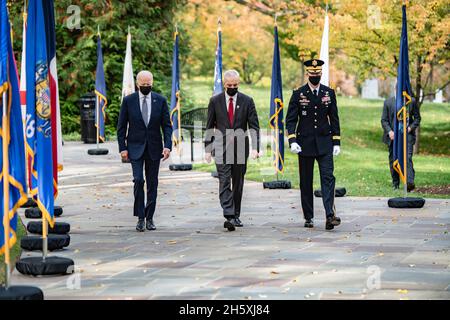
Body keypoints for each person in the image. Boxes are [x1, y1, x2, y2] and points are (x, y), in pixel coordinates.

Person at [285, 59, 341, 230]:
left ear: (321, 74)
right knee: (306, 182)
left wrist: (336, 141)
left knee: (328, 178)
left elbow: (334, 118)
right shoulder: (298, 94)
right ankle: (308, 216)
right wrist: (292, 140)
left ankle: (329, 215)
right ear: (307, 74)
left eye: (318, 74)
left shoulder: (328, 93)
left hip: (325, 143)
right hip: (305, 143)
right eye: (312, 74)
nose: (315, 76)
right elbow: (291, 120)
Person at [204, 70, 261, 231]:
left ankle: (236, 215)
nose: (232, 87)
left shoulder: (247, 101)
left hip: (240, 148)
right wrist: (208, 149)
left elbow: (254, 126)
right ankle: (228, 214)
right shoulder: (215, 101)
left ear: (239, 84)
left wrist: (256, 147)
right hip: (220, 147)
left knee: (238, 182)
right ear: (224, 84)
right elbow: (209, 125)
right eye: (229, 85)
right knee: (224, 180)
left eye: (235, 85)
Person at [117, 70, 172, 232]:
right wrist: (123, 148)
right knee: (139, 180)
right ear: (137, 84)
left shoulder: (160, 100)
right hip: (134, 147)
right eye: (143, 85)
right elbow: (121, 127)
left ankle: (150, 218)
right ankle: (140, 217)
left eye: (149, 84)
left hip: (155, 148)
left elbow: (167, 126)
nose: (146, 87)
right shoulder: (128, 101)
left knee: (152, 183)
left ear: (152, 83)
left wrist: (167, 145)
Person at [381, 94, 421, 191]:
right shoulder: (388, 102)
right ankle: (395, 183)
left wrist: (410, 128)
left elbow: (417, 118)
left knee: (407, 158)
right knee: (393, 159)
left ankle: (409, 183)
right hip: (393, 136)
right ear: (396, 90)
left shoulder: (411, 101)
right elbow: (384, 120)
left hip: (408, 136)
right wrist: (390, 131)